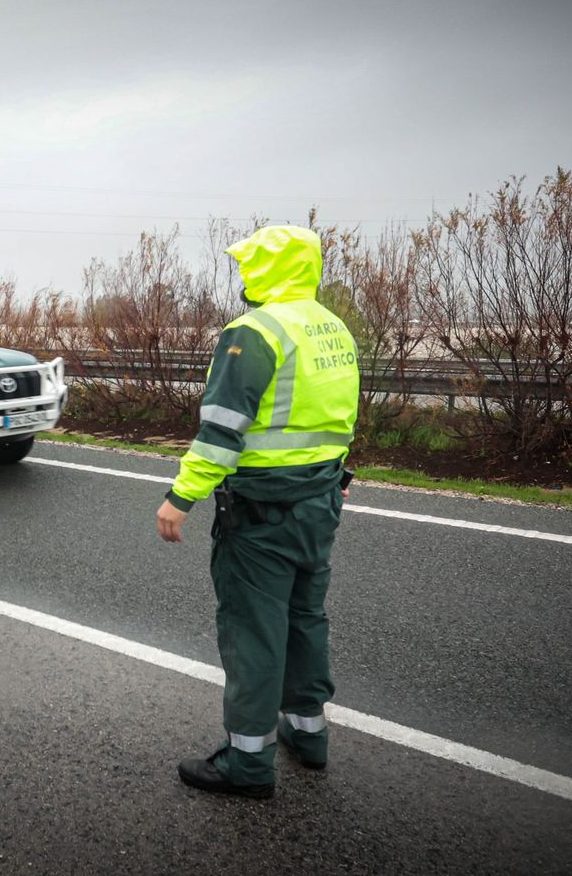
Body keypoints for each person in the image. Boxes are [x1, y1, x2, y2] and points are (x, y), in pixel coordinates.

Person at [154, 225, 360, 799]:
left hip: (262, 513)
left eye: (249, 265)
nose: (242, 275)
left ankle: (246, 766)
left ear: (270, 269)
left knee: (254, 633)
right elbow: (340, 418)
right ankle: (308, 734)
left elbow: (221, 431)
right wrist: (334, 478)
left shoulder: (254, 332)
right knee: (304, 618)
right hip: (320, 504)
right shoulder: (332, 328)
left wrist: (181, 497)